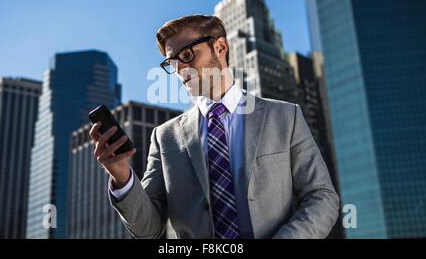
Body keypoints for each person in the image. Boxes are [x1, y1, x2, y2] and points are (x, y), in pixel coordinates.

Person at [89, 15, 339, 239]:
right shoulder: (165, 137)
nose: (180, 69)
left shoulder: (284, 116)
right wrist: (121, 176)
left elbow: (322, 197)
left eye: (187, 55)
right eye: (171, 63)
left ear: (219, 47)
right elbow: (149, 230)